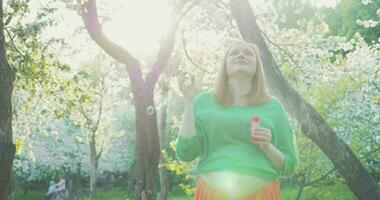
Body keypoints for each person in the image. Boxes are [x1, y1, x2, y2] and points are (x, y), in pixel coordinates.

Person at [176, 41, 299, 200]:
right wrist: (188, 101)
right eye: (234, 53)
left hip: (262, 194)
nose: (241, 55)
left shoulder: (273, 107)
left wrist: (267, 147)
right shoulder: (202, 102)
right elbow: (186, 153)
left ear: (257, 68)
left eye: (248, 53)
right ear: (225, 66)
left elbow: (289, 165)